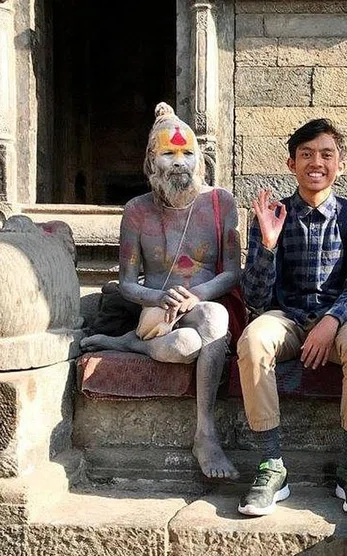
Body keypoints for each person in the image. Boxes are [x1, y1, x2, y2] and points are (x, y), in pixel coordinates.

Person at [80, 103, 240, 480]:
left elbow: (233, 272)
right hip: (157, 317)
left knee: (215, 317)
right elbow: (126, 283)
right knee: (184, 345)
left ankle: (205, 435)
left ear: (200, 159)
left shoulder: (221, 202)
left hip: (204, 305)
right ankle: (130, 342)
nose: (179, 162)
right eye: (169, 154)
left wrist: (196, 295)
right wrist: (158, 297)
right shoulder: (137, 210)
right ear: (151, 162)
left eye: (187, 153)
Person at [237, 118, 347, 517]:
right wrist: (267, 246)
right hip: (286, 317)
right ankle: (271, 464)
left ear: (340, 164)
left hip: (337, 320)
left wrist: (330, 322)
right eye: (306, 154)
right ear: (291, 163)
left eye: (326, 154)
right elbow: (255, 297)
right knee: (253, 341)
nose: (316, 162)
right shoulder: (272, 214)